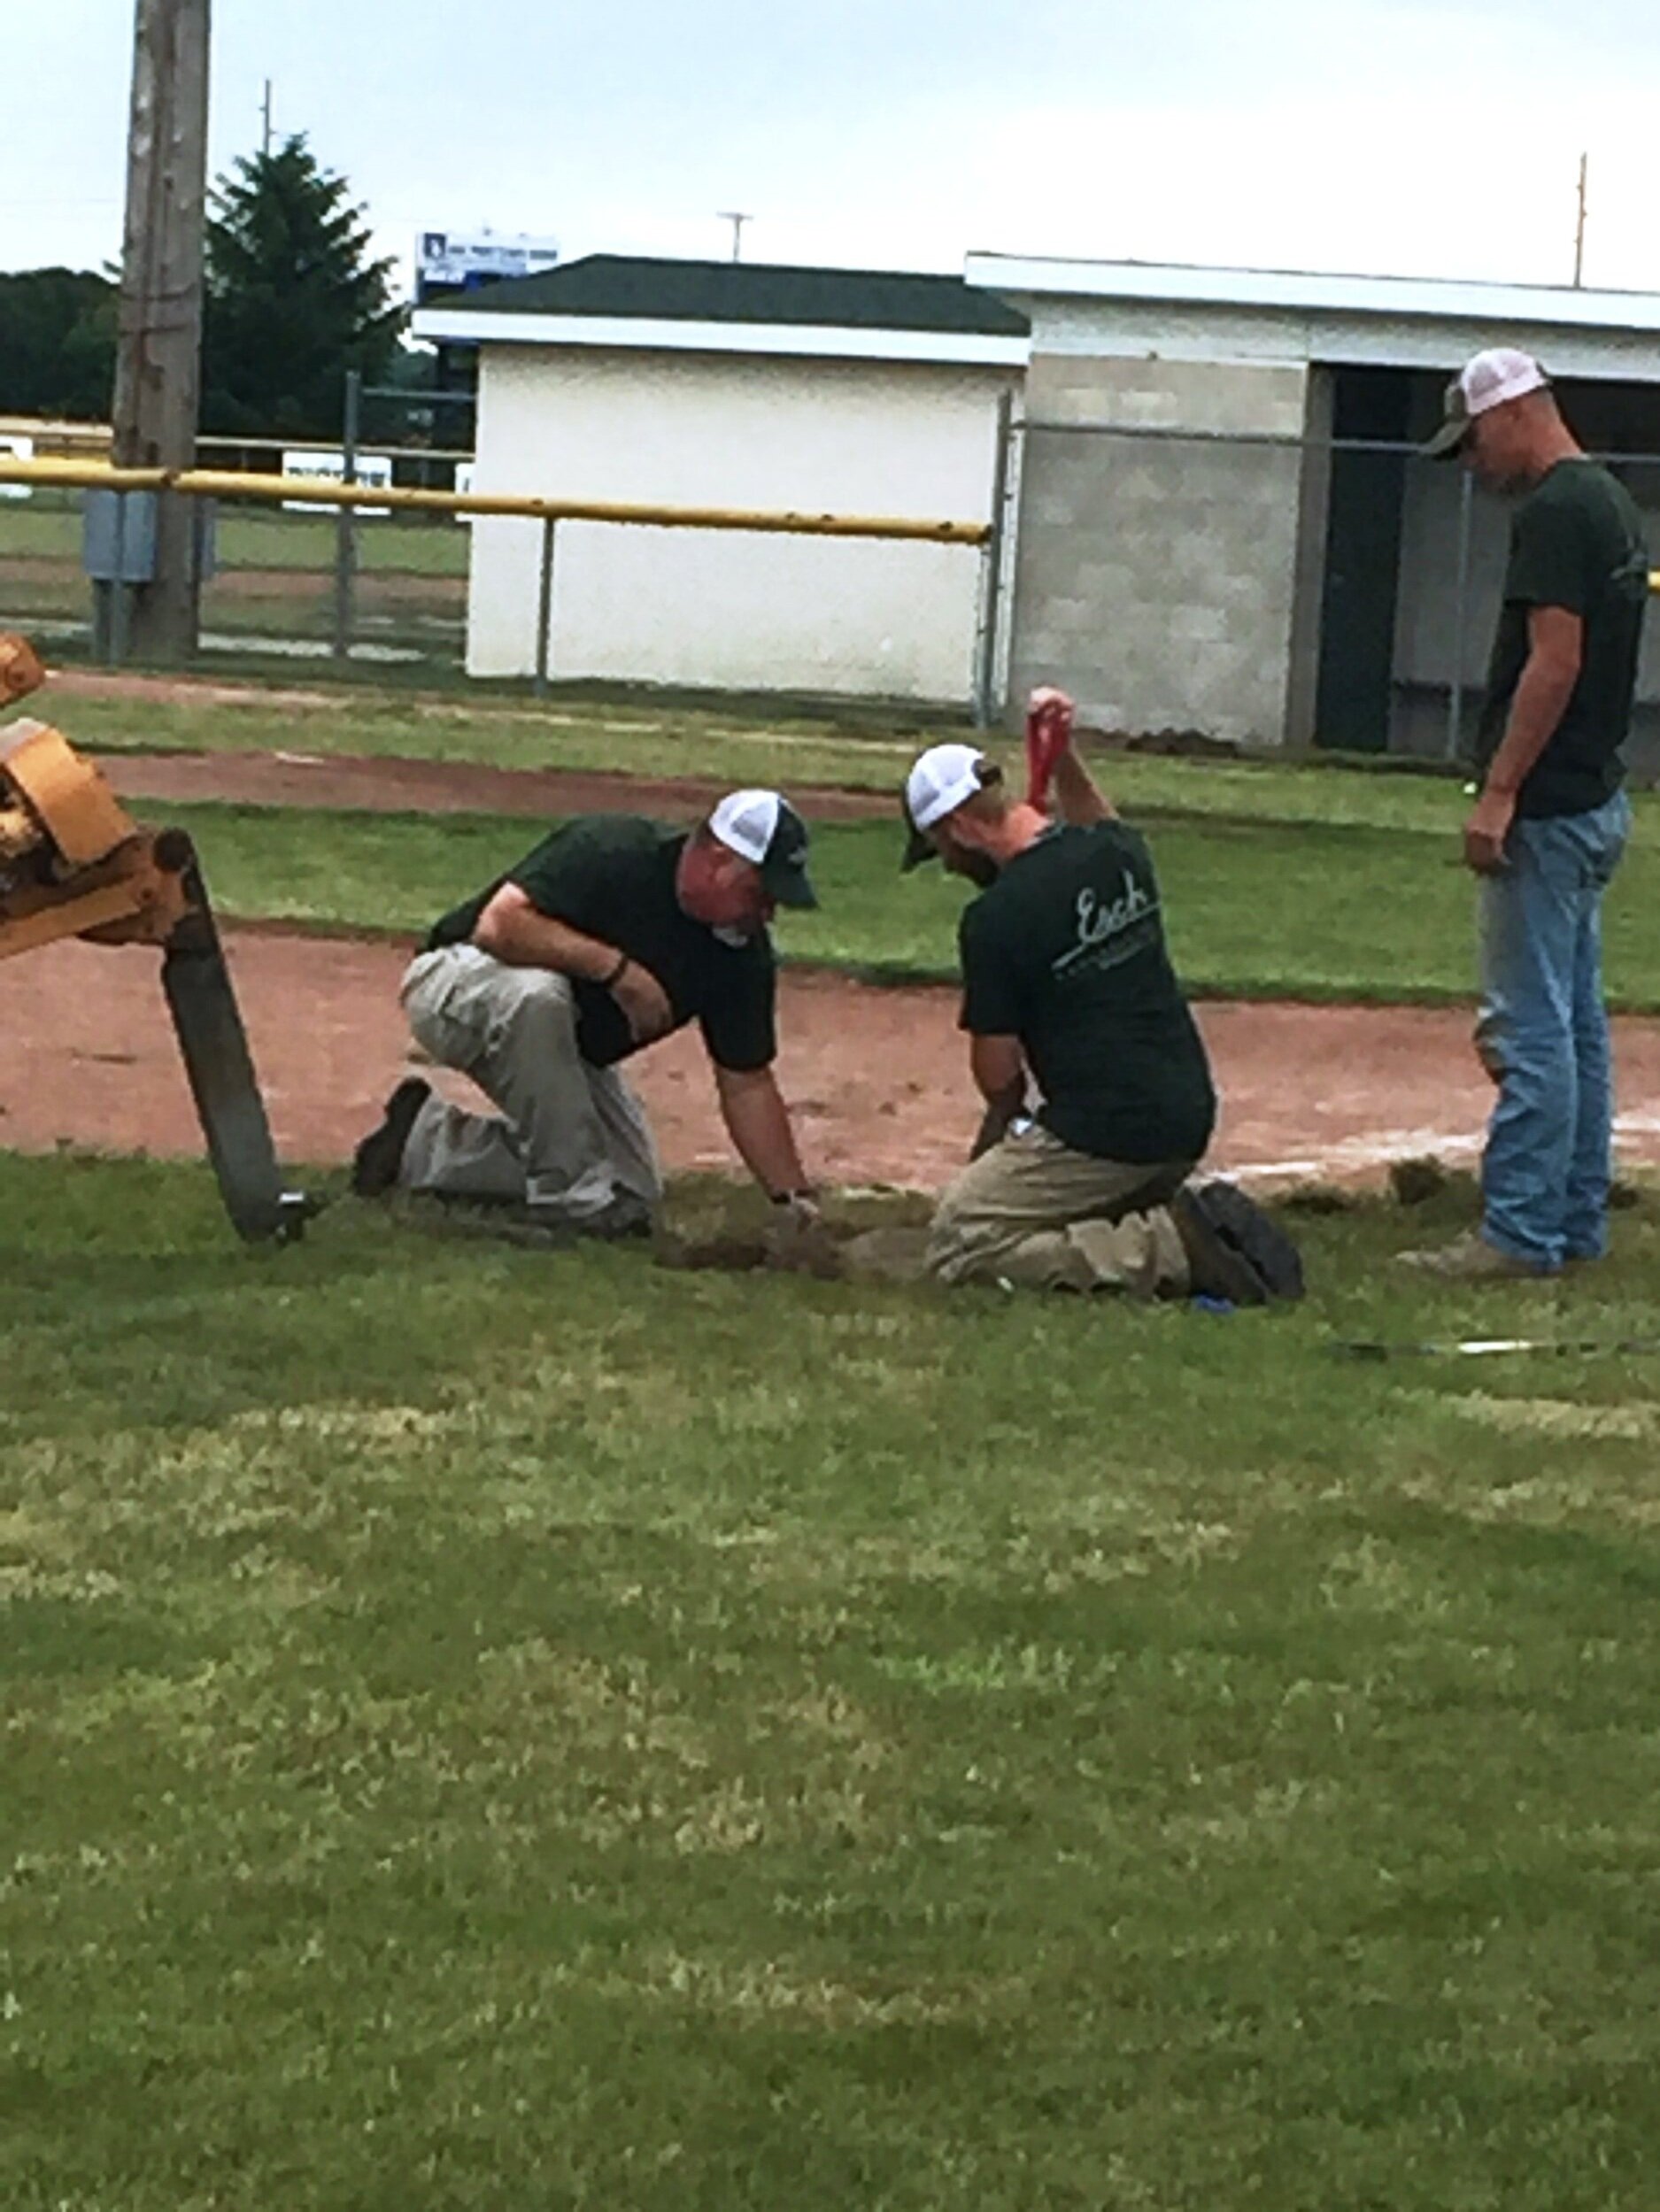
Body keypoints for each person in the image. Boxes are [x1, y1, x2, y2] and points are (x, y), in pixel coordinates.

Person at [899, 722, 1302, 1303]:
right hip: (1186, 1119)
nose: (946, 865)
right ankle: (1167, 1213)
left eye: (939, 848)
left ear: (958, 826)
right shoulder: (1116, 852)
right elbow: (1098, 815)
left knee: (961, 1239)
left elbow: (999, 1080)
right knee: (1024, 1211)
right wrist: (1061, 753)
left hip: (1105, 1138)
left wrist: (989, 1161)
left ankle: (1172, 1244)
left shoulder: (993, 919)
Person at [1404, 349, 1649, 1279]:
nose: (1474, 466)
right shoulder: (1612, 504)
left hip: (1547, 806)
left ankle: (1517, 1234)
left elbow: (1555, 661)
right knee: (1578, 1027)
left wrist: (1501, 788)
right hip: (1596, 795)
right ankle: (1574, 1219)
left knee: (1529, 1028)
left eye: (1472, 444)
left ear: (1512, 414)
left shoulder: (1554, 510)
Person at [351, 790, 823, 1240]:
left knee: (630, 1187)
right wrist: (618, 971)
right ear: (719, 861)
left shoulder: (741, 955)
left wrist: (794, 1200)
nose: (767, 913)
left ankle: (421, 1140)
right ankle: (570, 1204)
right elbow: (500, 924)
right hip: (457, 985)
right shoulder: (615, 850)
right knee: (538, 995)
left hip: (559, 1041)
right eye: (761, 894)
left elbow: (747, 1084)